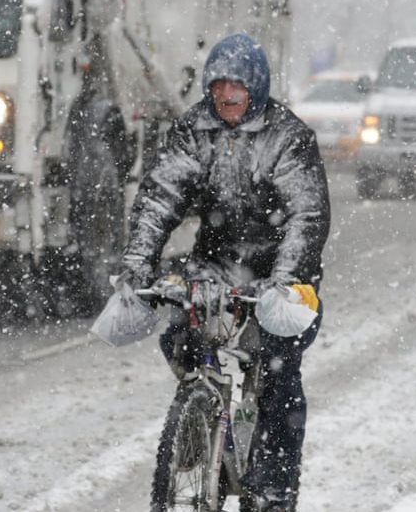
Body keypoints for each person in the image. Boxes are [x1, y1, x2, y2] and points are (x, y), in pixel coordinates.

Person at [116, 33, 330, 511]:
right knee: (181, 333)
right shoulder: (194, 131)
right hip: (213, 266)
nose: (227, 95)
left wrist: (285, 281)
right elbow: (158, 200)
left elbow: (306, 216)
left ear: (257, 87)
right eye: (217, 86)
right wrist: (137, 266)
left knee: (279, 374)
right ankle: (198, 426)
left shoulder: (288, 138)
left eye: (237, 85)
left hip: (280, 275)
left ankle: (274, 488)